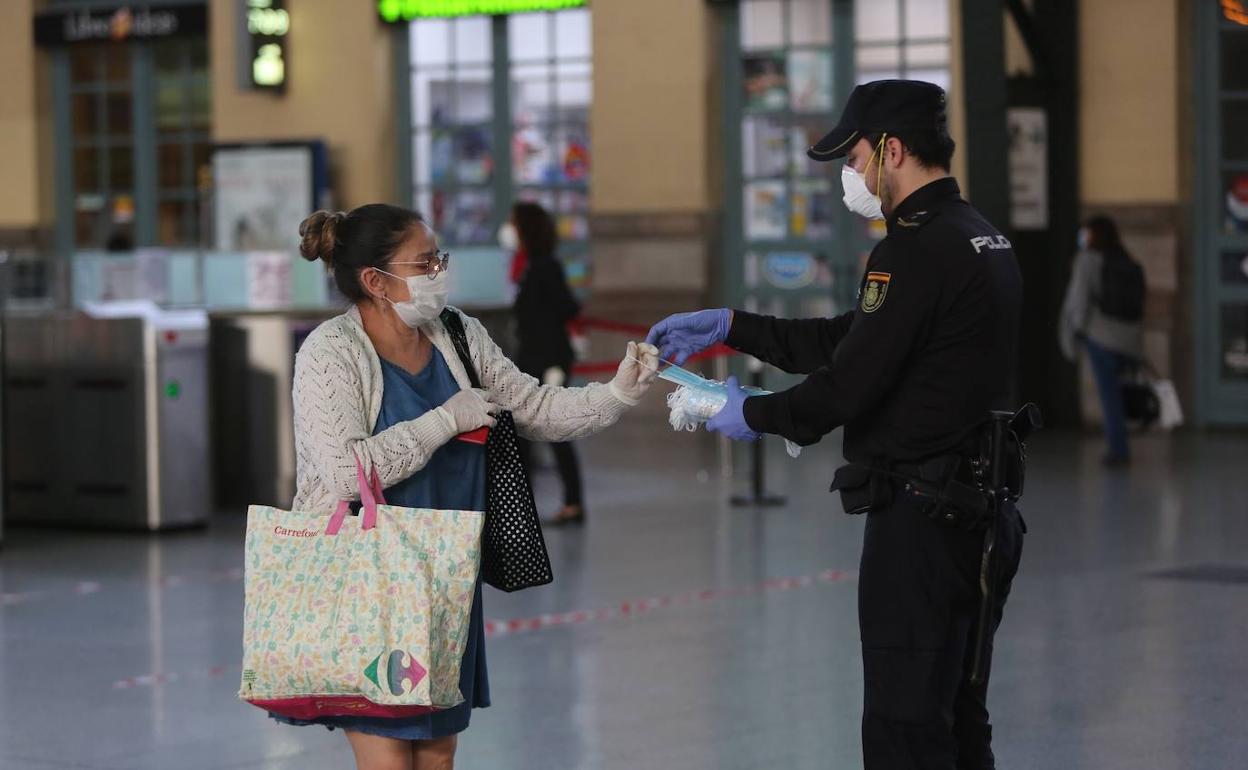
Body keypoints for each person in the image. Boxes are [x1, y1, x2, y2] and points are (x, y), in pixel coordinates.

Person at [647, 80, 1026, 770]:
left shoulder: (912, 249)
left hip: (924, 522)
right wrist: (733, 327)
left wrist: (749, 413)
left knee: (904, 730)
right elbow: (849, 339)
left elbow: (848, 382)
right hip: (978, 519)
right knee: (957, 720)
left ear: (893, 149)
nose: (852, 176)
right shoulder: (977, 235)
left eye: (854, 160)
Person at [286, 203, 659, 770]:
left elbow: (533, 407)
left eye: (440, 257)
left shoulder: (457, 334)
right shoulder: (330, 352)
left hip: (444, 578)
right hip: (367, 579)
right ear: (375, 280)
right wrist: (445, 419)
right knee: (387, 757)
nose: (439, 271)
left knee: (436, 756)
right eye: (425, 262)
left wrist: (616, 393)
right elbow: (345, 472)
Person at [501, 202, 587, 525]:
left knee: (555, 430)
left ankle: (573, 502)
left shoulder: (545, 267)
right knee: (525, 434)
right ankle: (522, 505)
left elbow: (567, 306)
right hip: (532, 360)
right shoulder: (531, 266)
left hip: (548, 359)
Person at [1059, 215, 1145, 466]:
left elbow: (1078, 302)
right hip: (1129, 340)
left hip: (1102, 339)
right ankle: (1122, 444)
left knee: (1110, 399)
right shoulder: (1124, 258)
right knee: (1121, 394)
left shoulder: (1087, 260)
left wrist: (1074, 331)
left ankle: (1118, 451)